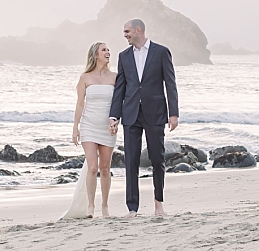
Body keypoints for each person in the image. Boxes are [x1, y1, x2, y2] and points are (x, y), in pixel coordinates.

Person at [108, 18, 179, 215]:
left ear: (138, 30)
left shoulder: (161, 52)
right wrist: (114, 116)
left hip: (155, 112)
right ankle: (132, 208)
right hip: (130, 114)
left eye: (127, 31)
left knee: (157, 159)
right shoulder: (123, 56)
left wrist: (173, 113)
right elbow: (120, 88)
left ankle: (158, 204)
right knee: (131, 161)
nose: (125, 35)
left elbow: (170, 84)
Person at [62, 42, 117, 219]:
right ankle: (91, 207)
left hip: (107, 127)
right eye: (104, 50)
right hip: (88, 126)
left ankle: (105, 206)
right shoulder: (85, 77)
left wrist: (116, 121)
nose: (108, 52)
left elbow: (119, 103)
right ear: (95, 55)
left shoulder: (115, 77)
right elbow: (79, 104)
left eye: (108, 50)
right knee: (93, 167)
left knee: (105, 168)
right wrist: (75, 128)